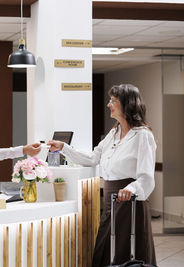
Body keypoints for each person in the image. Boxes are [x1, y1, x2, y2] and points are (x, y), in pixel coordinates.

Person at [48, 84, 156, 266]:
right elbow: (93, 157)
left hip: (130, 203)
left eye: (113, 101)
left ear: (127, 104)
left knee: (128, 255)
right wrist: (64, 148)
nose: (108, 104)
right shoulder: (113, 133)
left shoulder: (142, 136)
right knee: (105, 251)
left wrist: (130, 189)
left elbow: (146, 176)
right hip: (110, 202)